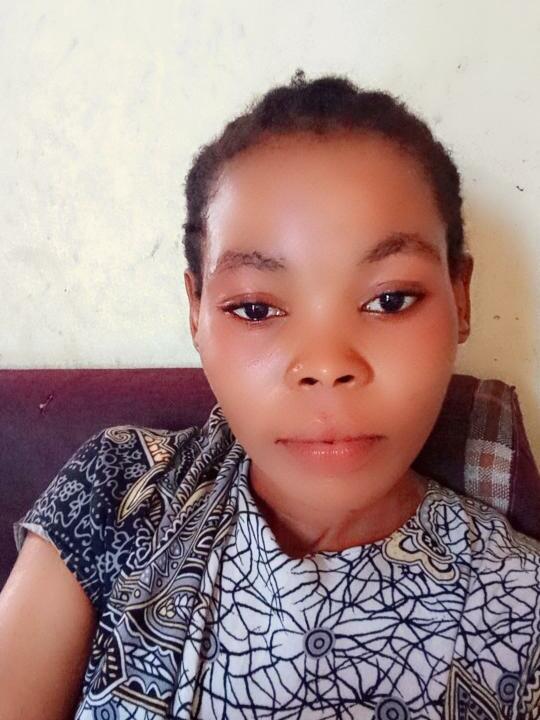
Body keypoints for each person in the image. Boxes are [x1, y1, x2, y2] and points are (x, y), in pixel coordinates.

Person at [1, 70, 539, 720]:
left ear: (460, 299)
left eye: (391, 299)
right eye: (256, 309)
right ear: (195, 310)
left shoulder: (524, 605)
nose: (326, 366)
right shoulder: (119, 488)